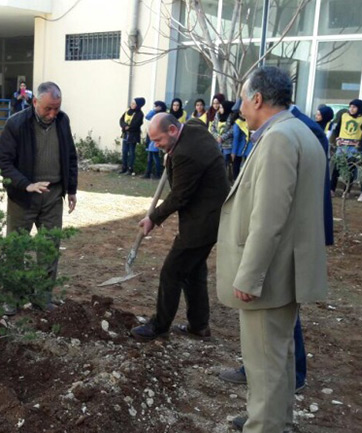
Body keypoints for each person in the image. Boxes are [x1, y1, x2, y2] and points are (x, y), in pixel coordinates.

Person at [216, 66, 328, 433]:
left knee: (264, 364)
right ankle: (279, 421)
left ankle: (264, 425)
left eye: (244, 100)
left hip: (271, 275)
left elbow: (269, 217)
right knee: (279, 356)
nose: (240, 108)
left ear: (258, 99)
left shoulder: (279, 138)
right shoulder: (301, 131)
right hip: (288, 269)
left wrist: (249, 275)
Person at [130, 113, 229, 342]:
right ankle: (199, 326)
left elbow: (179, 196)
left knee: (172, 271)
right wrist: (169, 154)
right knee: (193, 270)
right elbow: (199, 124)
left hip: (204, 221)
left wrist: (153, 219)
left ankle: (159, 326)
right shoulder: (193, 127)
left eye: (158, 141)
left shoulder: (185, 154)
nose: (156, 146)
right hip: (213, 215)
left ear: (173, 130)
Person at [0, 81, 78, 308]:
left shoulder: (63, 120)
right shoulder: (16, 124)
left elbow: (70, 155)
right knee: (15, 248)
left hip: (53, 194)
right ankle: (12, 299)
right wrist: (25, 184)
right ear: (34, 102)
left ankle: (42, 297)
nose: (52, 114)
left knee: (49, 247)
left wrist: (71, 189)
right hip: (23, 197)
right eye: (47, 108)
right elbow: (2, 161)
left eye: (56, 108)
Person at [331, 99, 362, 199]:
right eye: (350, 107)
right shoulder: (344, 116)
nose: (352, 109)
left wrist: (360, 144)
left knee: (350, 169)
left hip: (354, 146)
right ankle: (332, 189)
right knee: (337, 167)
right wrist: (337, 139)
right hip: (342, 145)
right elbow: (338, 128)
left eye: (354, 107)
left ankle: (347, 191)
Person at [118, 97, 145, 175]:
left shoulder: (140, 114)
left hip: (133, 135)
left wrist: (129, 127)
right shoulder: (127, 111)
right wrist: (124, 126)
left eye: (134, 104)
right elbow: (121, 120)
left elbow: (137, 124)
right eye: (132, 103)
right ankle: (124, 167)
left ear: (138, 105)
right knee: (124, 151)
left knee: (131, 152)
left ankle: (130, 169)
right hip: (125, 134)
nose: (132, 105)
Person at [211, 100, 235, 181]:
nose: (219, 109)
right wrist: (217, 136)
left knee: (225, 161)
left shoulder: (231, 117)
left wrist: (222, 137)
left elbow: (232, 130)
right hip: (217, 143)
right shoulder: (217, 115)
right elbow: (213, 127)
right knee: (217, 161)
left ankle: (225, 179)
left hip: (227, 144)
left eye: (221, 107)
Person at [143, 101, 167, 179]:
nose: (155, 108)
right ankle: (147, 173)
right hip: (151, 137)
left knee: (155, 158)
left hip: (157, 137)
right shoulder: (154, 114)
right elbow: (147, 116)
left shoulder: (163, 115)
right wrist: (154, 110)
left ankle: (158, 173)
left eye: (156, 106)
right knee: (149, 158)